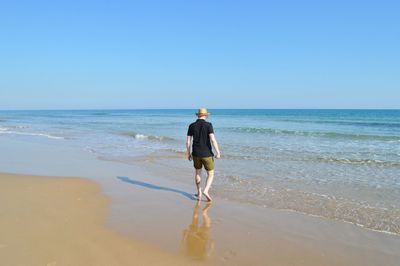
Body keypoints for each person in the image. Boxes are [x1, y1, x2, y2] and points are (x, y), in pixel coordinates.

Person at [186, 108, 221, 201]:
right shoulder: (208, 125)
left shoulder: (191, 126)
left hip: (196, 153)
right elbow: (213, 140)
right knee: (211, 173)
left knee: (198, 172)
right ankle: (206, 190)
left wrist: (188, 153)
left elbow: (188, 142)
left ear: (198, 115)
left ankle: (199, 193)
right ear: (206, 115)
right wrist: (218, 152)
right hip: (207, 154)